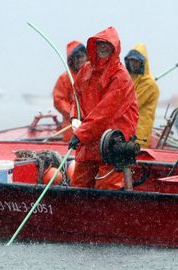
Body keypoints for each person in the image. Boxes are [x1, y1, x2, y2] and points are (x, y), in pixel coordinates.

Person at [68, 26, 139, 190]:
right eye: (100, 44)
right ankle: (80, 215)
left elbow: (105, 112)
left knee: (106, 188)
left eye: (108, 45)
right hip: (90, 139)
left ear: (115, 48)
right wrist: (75, 117)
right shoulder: (86, 70)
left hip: (112, 141)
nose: (103, 48)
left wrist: (80, 134)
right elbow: (76, 97)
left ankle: (105, 215)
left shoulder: (120, 77)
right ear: (94, 46)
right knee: (79, 185)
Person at [124, 43, 160, 148]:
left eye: (136, 61)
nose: (133, 64)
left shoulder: (149, 84)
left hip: (140, 136)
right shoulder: (128, 79)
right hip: (128, 132)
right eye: (131, 60)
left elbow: (132, 104)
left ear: (142, 62)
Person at [52, 41, 88, 141]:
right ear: (71, 60)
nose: (80, 60)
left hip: (91, 126)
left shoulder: (93, 75)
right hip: (71, 130)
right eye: (76, 57)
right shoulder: (64, 78)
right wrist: (75, 116)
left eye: (82, 56)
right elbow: (58, 100)